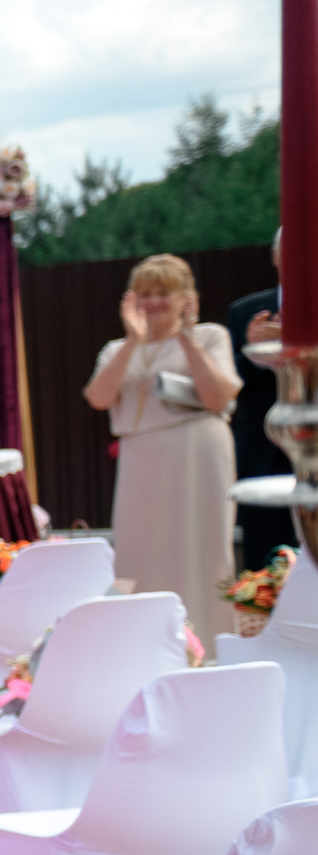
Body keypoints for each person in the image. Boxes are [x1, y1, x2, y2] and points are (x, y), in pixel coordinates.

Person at [84, 253, 244, 629]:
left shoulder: (210, 336)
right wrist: (133, 341)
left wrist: (187, 338)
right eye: (146, 293)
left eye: (164, 293)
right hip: (142, 457)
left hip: (197, 452)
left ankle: (209, 636)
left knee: (202, 546)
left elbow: (219, 398)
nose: (154, 301)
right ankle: (141, 634)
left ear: (186, 298)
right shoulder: (116, 349)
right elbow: (98, 398)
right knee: (138, 548)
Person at [228, 230, 291, 569]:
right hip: (262, 454)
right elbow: (229, 383)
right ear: (275, 256)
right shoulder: (246, 312)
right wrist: (255, 351)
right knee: (265, 561)